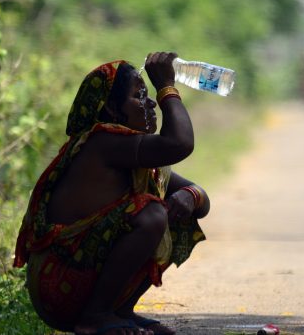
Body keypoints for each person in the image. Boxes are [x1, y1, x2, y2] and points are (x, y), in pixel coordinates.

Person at [13, 52, 210, 335]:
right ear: (112, 112)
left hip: (76, 280)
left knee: (172, 209)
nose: (150, 102)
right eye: (139, 96)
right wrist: (167, 86)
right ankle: (96, 316)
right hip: (58, 286)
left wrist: (190, 196)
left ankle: (119, 312)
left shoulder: (136, 159)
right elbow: (179, 143)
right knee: (151, 212)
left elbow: (201, 201)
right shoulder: (102, 142)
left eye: (148, 94)